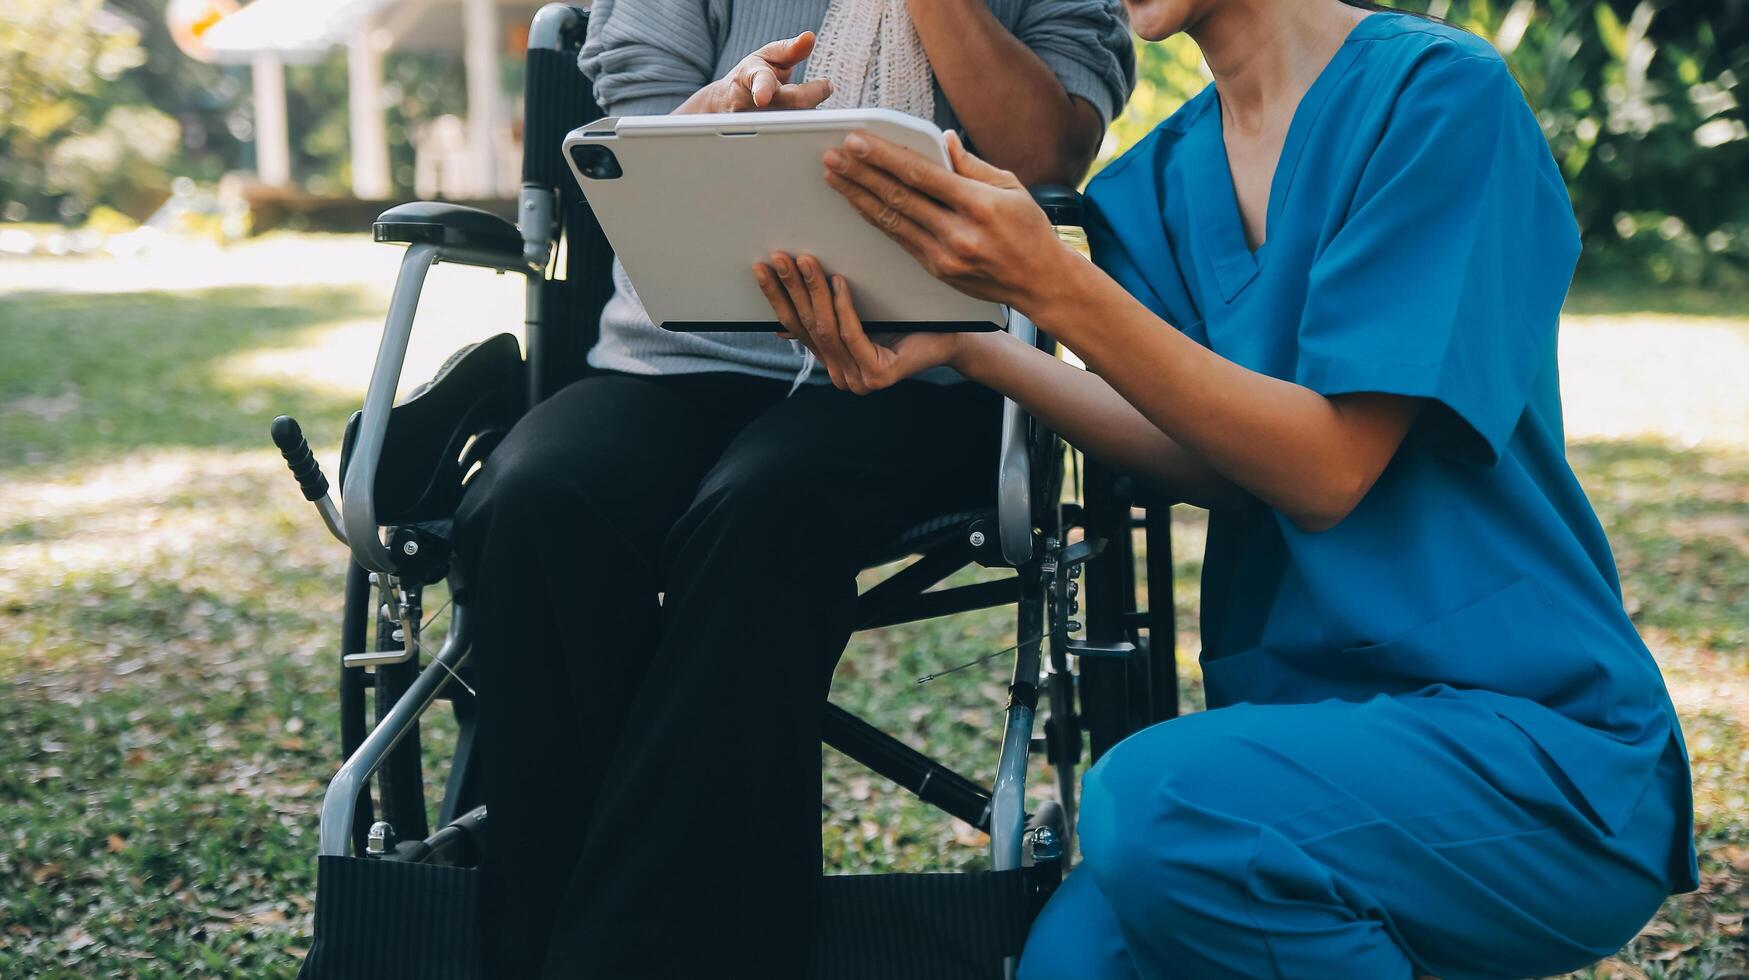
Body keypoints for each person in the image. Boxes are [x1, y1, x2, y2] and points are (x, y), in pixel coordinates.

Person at [753, 1, 1698, 976]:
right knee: (1071, 961)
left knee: (1152, 806)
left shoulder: (1440, 98)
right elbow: (1213, 455)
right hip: (1300, 748)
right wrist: (971, 345)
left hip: (1538, 749)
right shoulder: (1155, 184)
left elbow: (1327, 469)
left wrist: (1051, 284)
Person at [451, 1, 1133, 975]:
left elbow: (1043, 156)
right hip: (671, 352)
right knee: (534, 495)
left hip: (921, 360)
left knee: (767, 508)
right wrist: (715, 122)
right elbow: (643, 143)